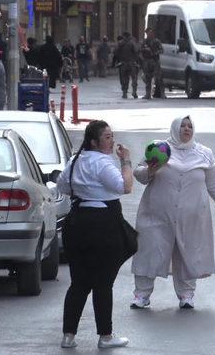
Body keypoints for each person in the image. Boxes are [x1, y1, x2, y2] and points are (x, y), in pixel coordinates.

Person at [130, 116, 215, 310]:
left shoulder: (204, 154)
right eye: (182, 126)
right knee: (150, 250)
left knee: (188, 253)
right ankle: (141, 294)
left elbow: (213, 184)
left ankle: (186, 295)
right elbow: (139, 174)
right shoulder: (160, 149)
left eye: (190, 126)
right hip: (157, 213)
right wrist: (151, 170)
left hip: (192, 215)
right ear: (175, 128)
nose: (186, 129)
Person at [56, 120, 133, 349]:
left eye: (112, 135)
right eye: (107, 137)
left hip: (77, 222)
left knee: (79, 282)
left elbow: (63, 186)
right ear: (94, 141)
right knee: (103, 282)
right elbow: (125, 186)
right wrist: (126, 161)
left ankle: (68, 335)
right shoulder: (102, 162)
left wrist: (85, 189)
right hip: (103, 225)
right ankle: (105, 336)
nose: (112, 140)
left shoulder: (75, 161)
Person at [114, 32, 140, 99]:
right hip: (132, 63)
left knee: (124, 79)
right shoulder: (132, 43)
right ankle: (134, 92)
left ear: (124, 36)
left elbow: (115, 52)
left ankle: (124, 93)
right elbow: (136, 51)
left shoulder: (120, 43)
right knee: (134, 78)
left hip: (123, 64)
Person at [140, 28, 164, 99]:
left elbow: (162, 50)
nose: (149, 34)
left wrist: (154, 53)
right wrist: (145, 50)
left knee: (159, 78)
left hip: (155, 61)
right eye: (147, 33)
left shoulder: (156, 41)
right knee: (147, 78)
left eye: (150, 33)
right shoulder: (144, 41)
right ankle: (148, 94)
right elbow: (140, 50)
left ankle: (162, 93)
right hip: (147, 61)